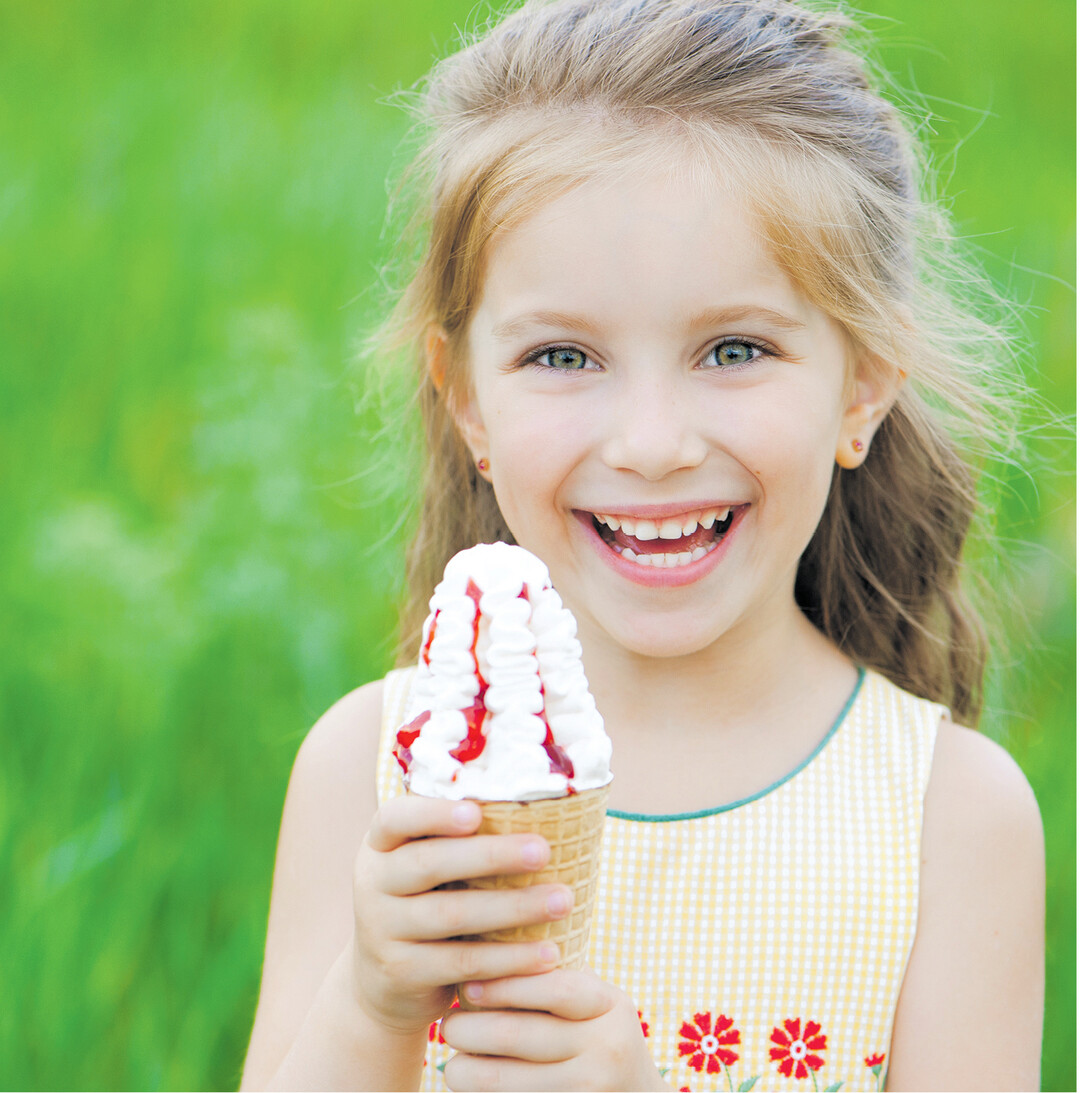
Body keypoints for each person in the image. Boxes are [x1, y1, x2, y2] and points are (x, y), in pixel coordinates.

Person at [240, 0, 1045, 1089]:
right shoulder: (375, 774)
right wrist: (372, 1003)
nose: (653, 444)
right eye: (565, 357)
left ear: (863, 385)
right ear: (468, 401)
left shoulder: (951, 818)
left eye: (734, 348)